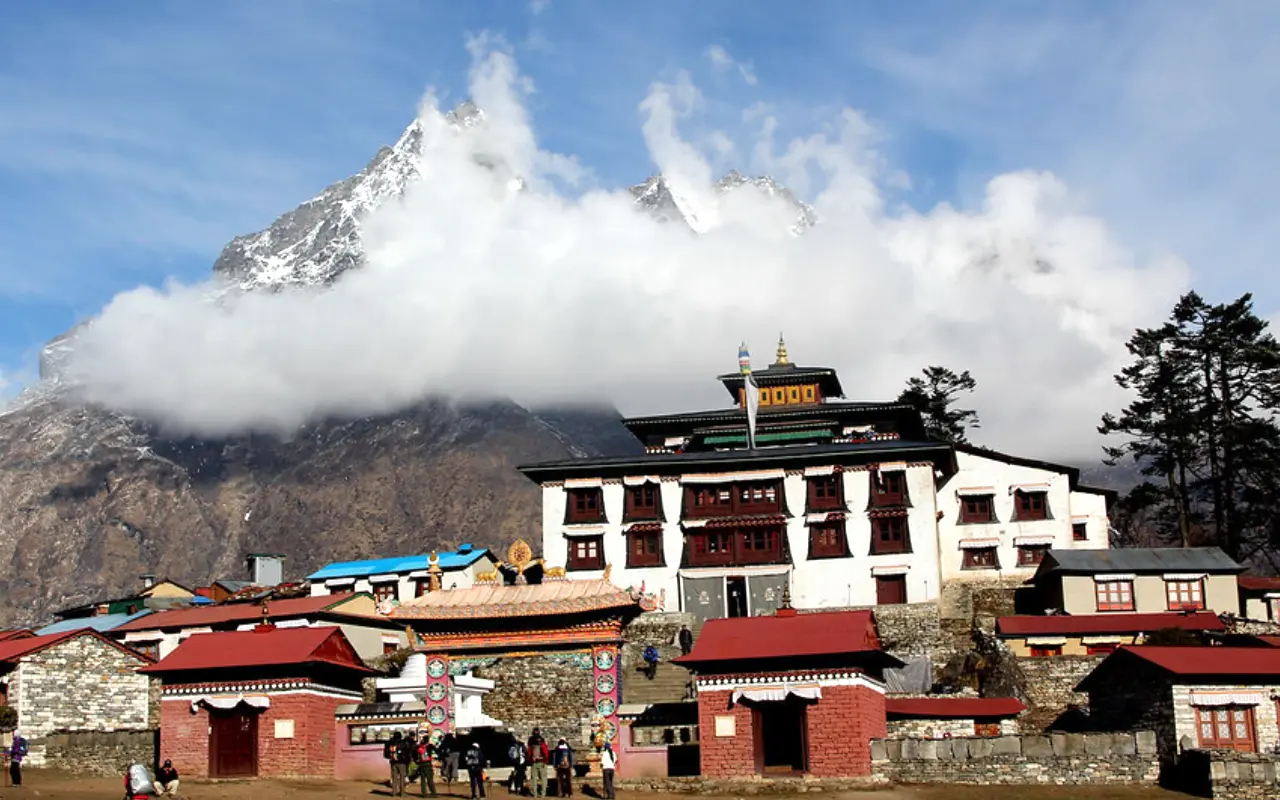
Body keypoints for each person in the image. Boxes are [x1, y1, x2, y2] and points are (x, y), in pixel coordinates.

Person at [526, 728, 550, 798]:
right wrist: (544, 759)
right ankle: (542, 794)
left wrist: (531, 759)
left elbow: (529, 752)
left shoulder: (531, 741)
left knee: (534, 779)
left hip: (534, 762)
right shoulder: (542, 741)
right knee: (543, 779)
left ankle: (535, 794)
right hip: (542, 762)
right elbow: (546, 753)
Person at [392, 732, 414, 796]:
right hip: (402, 762)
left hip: (393, 762)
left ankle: (394, 792)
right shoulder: (403, 743)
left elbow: (386, 753)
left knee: (394, 778)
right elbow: (407, 752)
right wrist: (408, 760)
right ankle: (402, 792)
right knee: (402, 777)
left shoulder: (390, 743)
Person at [417, 732, 438, 797]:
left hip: (421, 764)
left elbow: (415, 754)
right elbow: (437, 750)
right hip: (428, 763)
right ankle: (433, 793)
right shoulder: (430, 746)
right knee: (430, 779)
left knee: (423, 780)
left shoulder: (419, 746)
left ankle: (424, 794)